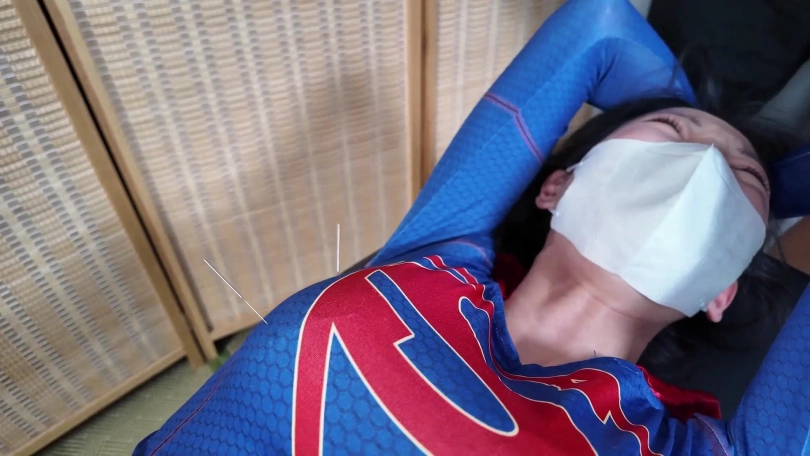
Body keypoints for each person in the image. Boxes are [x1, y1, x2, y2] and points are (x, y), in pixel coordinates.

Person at [134, 0, 810, 454]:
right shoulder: (429, 257)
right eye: (672, 132)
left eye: (741, 179)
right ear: (558, 186)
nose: (703, 167)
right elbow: (598, 28)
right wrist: (760, 165)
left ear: (721, 291)